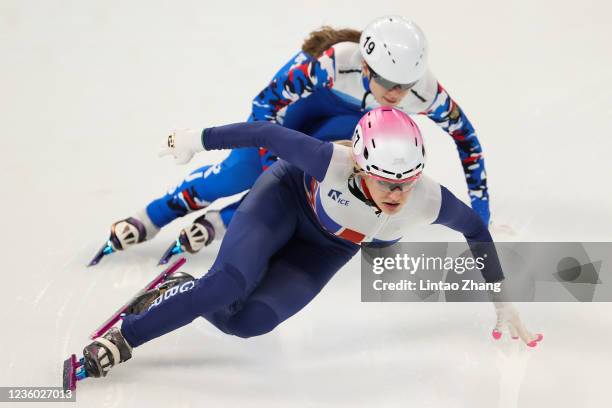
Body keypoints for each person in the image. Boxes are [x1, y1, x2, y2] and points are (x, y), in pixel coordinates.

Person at [79, 108, 540, 380]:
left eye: (407, 183)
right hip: (283, 200)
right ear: (361, 167)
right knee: (228, 285)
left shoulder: (427, 200)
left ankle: (180, 288)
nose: (397, 196)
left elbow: (476, 232)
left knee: (247, 323)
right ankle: (126, 337)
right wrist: (193, 140)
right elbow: (263, 134)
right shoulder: (329, 161)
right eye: (385, 182)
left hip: (327, 249)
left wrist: (502, 300)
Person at [91, 15, 491, 265]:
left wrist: (482, 212)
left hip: (342, 137)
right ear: (365, 65)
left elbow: (467, 141)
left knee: (318, 188)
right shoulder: (328, 65)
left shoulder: (426, 91)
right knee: (237, 174)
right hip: (291, 121)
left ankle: (221, 222)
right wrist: (269, 167)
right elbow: (264, 107)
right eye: (386, 81)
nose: (395, 94)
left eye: (404, 85)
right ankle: (152, 216)